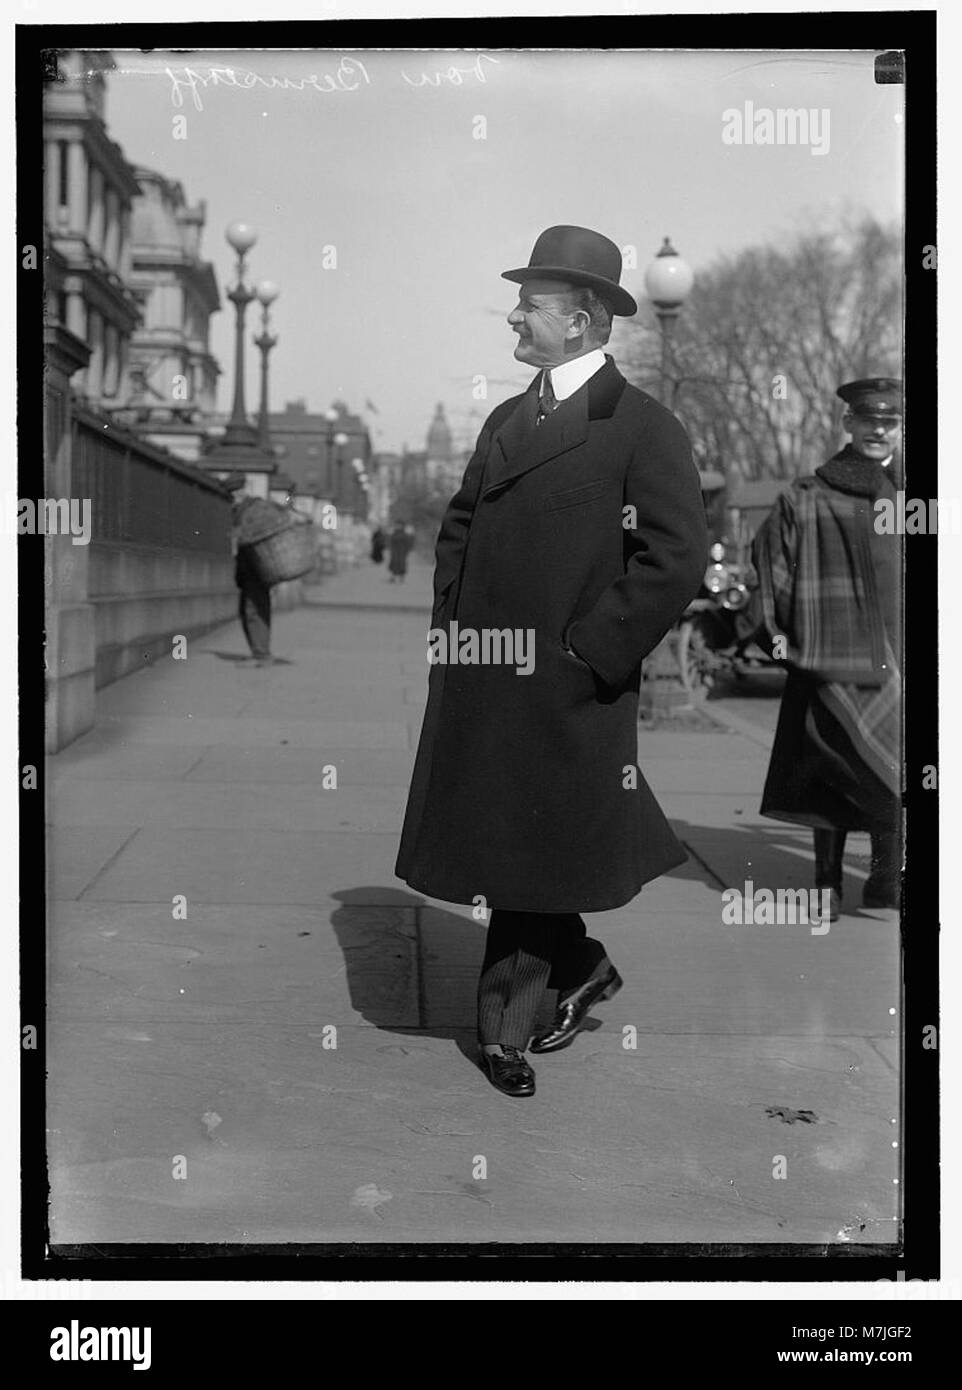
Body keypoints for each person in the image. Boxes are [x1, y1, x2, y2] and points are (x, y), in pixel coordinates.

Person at [395, 225, 707, 1096]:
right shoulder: (504, 416)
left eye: (530, 306)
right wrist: (452, 626)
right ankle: (582, 966)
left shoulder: (642, 426)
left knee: (526, 860)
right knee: (519, 850)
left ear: (580, 323)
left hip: (568, 687)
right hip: (483, 676)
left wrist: (589, 647)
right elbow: (459, 527)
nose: (513, 318)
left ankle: (505, 1034)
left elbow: (675, 557)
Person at [751, 377, 903, 922]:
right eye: (868, 422)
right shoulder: (808, 493)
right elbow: (770, 562)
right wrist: (789, 637)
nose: (878, 431)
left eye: (889, 423)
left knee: (897, 773)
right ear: (848, 425)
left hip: (903, 656)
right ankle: (826, 884)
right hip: (830, 653)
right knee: (826, 772)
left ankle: (887, 879)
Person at [224, 473, 276, 668]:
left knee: (253, 610)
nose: (234, 496)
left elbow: (250, 539)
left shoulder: (248, 510)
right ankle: (260, 652)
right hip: (255, 568)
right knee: (252, 610)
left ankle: (261, 655)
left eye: (234, 492)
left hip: (254, 568)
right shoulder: (250, 508)